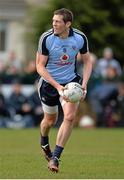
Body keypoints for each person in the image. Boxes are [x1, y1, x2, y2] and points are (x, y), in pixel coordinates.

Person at [36, 8, 92, 173]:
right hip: (48, 84)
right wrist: (57, 86)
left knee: (69, 116)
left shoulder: (80, 38)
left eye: (57, 21)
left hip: (71, 82)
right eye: (53, 21)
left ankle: (56, 158)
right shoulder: (46, 38)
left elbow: (87, 62)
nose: (54, 24)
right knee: (50, 121)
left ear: (68, 24)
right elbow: (39, 66)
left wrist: (85, 84)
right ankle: (44, 142)